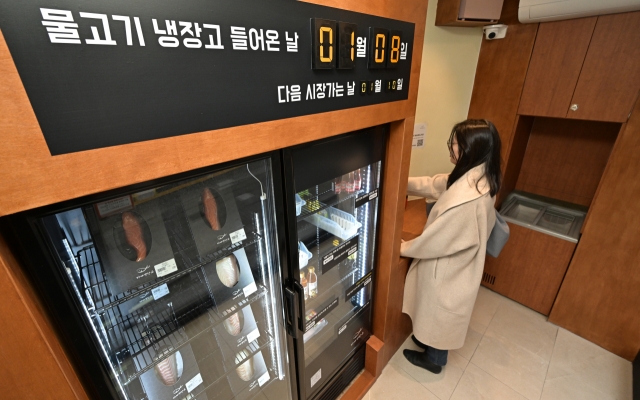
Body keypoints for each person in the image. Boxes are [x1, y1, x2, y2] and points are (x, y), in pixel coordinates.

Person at [400, 119, 502, 374]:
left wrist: (404, 247)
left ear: (471, 149)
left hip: (451, 265)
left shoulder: (469, 199)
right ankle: (427, 342)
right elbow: (436, 184)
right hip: (459, 261)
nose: (450, 149)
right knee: (438, 310)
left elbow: (436, 241)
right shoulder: (479, 175)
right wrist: (402, 180)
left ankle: (434, 360)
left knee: (440, 311)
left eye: (454, 144)